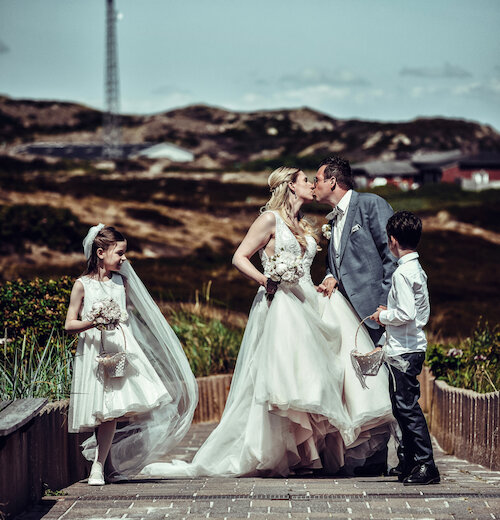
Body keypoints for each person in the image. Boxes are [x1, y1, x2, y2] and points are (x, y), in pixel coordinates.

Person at [142, 167, 394, 478]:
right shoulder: (269, 219)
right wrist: (266, 280)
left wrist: (328, 278)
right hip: (282, 306)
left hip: (308, 301)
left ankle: (308, 454)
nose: (311, 185)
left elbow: (328, 263)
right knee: (285, 378)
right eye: (305, 180)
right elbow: (239, 257)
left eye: (314, 180)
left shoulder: (304, 224)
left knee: (313, 375)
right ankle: (279, 451)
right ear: (291, 186)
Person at [65, 224, 197, 485]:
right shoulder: (82, 285)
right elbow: (69, 324)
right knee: (101, 410)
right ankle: (106, 466)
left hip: (119, 350)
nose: (124, 258)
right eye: (120, 253)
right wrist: (94, 321)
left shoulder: (120, 283)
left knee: (112, 409)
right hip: (93, 350)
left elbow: (124, 318)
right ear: (100, 253)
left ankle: (100, 467)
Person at [370, 211, 440, 485]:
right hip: (410, 345)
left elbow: (407, 314)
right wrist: (392, 312)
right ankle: (409, 460)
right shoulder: (416, 269)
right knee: (401, 406)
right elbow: (417, 310)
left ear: (393, 241)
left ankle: (426, 464)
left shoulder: (401, 273)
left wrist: (383, 316)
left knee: (407, 407)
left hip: (404, 349)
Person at [313, 156, 397, 345]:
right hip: (346, 313)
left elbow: (392, 256)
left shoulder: (371, 204)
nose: (313, 186)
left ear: (332, 181)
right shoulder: (332, 219)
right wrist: (330, 275)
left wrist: (385, 304)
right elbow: (337, 259)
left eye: (316, 180)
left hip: (375, 312)